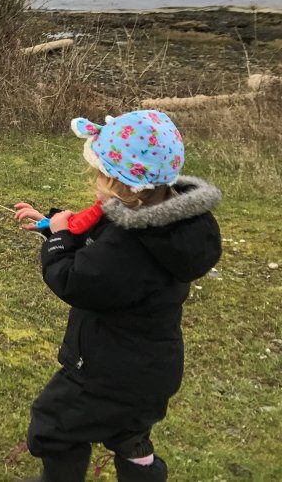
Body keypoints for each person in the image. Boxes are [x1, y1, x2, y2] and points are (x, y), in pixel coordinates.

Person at [13, 110, 222, 481]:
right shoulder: (164, 221)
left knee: (54, 424)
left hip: (106, 373)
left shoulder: (133, 243)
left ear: (127, 185)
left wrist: (59, 243)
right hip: (148, 372)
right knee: (126, 431)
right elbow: (96, 237)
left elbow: (76, 280)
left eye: (102, 176)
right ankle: (139, 461)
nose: (96, 184)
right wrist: (54, 226)